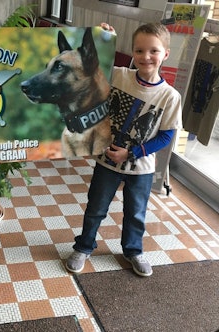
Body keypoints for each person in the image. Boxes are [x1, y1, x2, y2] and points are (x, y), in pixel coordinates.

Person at [65, 22, 182, 277]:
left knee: (136, 213)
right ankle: (84, 246)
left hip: (140, 168)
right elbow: (89, 65)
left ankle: (133, 250)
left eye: (153, 51)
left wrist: (131, 154)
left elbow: (166, 137)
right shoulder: (118, 75)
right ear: (132, 52)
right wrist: (102, 36)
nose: (146, 57)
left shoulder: (170, 96)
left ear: (166, 54)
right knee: (95, 207)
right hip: (107, 163)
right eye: (139, 50)